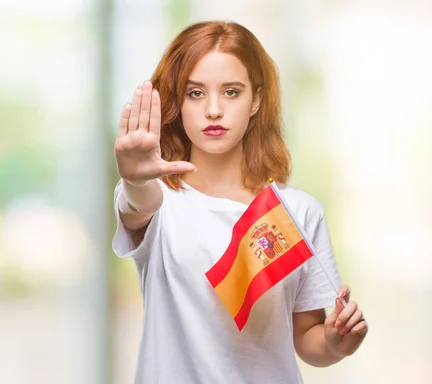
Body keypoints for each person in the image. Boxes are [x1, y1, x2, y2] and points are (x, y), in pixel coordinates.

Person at [112, 21, 368, 383]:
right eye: (195, 93)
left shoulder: (296, 211)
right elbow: (138, 207)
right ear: (176, 102)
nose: (213, 110)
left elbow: (308, 339)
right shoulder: (160, 200)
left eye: (231, 92)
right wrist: (135, 178)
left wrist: (336, 342)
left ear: (256, 100)